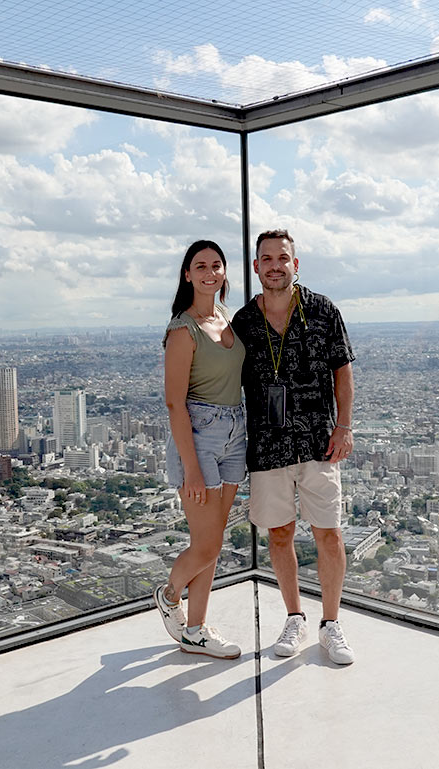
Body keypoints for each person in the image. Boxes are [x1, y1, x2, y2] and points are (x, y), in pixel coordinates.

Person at [232, 229, 356, 665]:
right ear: (256, 267)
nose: (275, 266)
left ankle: (331, 623)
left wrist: (344, 426)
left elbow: (342, 371)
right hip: (268, 446)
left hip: (319, 441)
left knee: (329, 533)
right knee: (280, 534)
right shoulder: (244, 322)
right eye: (266, 259)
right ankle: (294, 616)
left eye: (282, 258)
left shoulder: (323, 310)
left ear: (295, 264)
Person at [153, 239, 247, 659]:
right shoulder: (183, 329)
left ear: (224, 273)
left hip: (234, 432)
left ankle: (195, 630)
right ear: (187, 275)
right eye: (201, 266)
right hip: (200, 437)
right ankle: (170, 594)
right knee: (206, 545)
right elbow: (175, 403)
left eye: (216, 265)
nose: (210, 272)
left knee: (213, 541)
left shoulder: (225, 319)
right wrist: (190, 467)